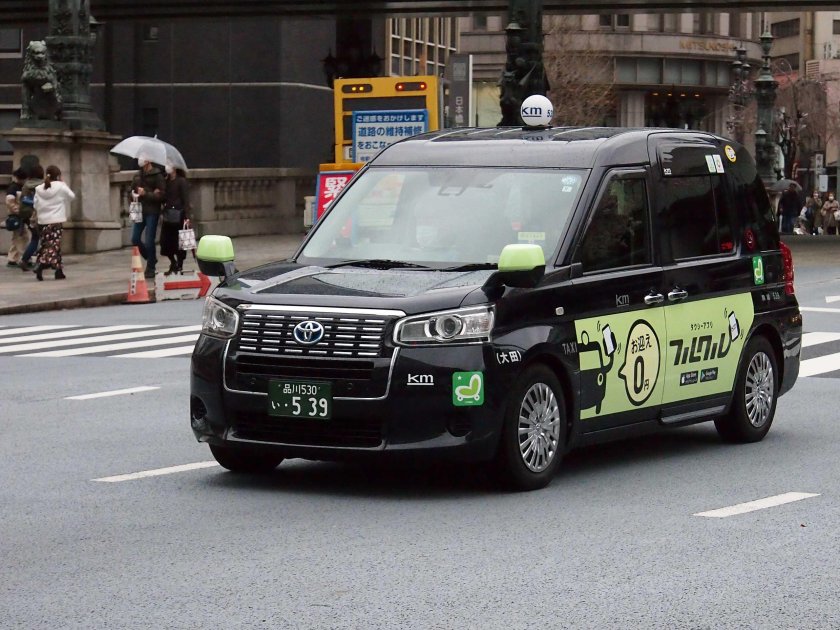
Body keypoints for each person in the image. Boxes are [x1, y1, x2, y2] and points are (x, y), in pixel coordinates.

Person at [33, 165, 74, 280]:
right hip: (56, 220)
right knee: (53, 245)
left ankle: (58, 270)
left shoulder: (39, 188)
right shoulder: (61, 186)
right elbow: (71, 196)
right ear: (58, 176)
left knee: (48, 244)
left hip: (43, 221)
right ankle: (41, 264)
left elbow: (35, 205)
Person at [131, 156, 165, 278]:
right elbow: (132, 190)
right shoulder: (137, 175)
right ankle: (151, 258)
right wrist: (134, 194)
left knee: (149, 240)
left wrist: (146, 193)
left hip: (152, 211)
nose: (140, 160)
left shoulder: (157, 176)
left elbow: (162, 196)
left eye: (143, 158)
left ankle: (151, 267)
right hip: (140, 210)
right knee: (135, 238)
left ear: (149, 160)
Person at [160, 163, 191, 274]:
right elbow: (164, 198)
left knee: (180, 242)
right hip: (168, 215)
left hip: (179, 215)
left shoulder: (181, 181)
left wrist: (187, 216)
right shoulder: (166, 181)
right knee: (166, 242)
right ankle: (173, 262)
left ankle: (179, 264)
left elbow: (186, 200)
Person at [18, 164, 45, 271]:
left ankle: (29, 260)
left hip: (25, 215)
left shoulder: (26, 185)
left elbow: (22, 200)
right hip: (36, 215)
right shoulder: (43, 184)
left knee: (36, 237)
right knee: (37, 238)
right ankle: (26, 260)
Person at [4, 168, 27, 267]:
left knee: (17, 238)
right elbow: (10, 202)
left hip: (17, 216)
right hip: (17, 216)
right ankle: (23, 258)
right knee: (21, 237)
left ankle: (12, 258)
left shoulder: (15, 187)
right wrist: (19, 211)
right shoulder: (14, 188)